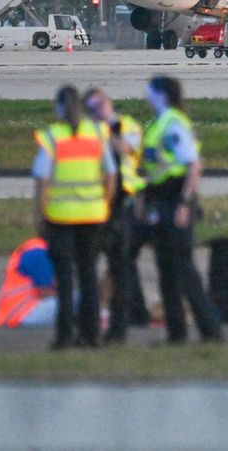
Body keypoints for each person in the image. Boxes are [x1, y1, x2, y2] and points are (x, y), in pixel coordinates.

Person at [140, 75, 224, 344]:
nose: (146, 94)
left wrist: (184, 203)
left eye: (150, 90)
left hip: (174, 199)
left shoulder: (173, 123)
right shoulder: (158, 122)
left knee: (183, 268)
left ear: (162, 94)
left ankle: (211, 330)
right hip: (159, 199)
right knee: (165, 269)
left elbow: (193, 165)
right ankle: (176, 333)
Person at [32, 85, 116, 349]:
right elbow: (111, 175)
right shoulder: (97, 133)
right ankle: (92, 336)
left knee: (65, 279)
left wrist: (40, 214)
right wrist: (103, 202)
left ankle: (65, 336)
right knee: (89, 275)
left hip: (60, 218)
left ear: (58, 107)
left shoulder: (53, 137)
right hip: (92, 216)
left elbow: (42, 181)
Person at [83, 87, 146, 343]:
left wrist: (103, 132)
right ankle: (133, 311)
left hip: (128, 199)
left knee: (124, 260)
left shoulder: (127, 125)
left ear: (109, 103)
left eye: (100, 105)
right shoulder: (90, 130)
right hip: (100, 202)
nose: (97, 111)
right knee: (120, 261)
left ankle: (131, 314)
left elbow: (126, 148)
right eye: (92, 108)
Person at [0, 238, 59, 328]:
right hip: (23, 313)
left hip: (15, 313)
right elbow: (46, 293)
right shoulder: (37, 253)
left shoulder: (37, 249)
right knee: (79, 299)